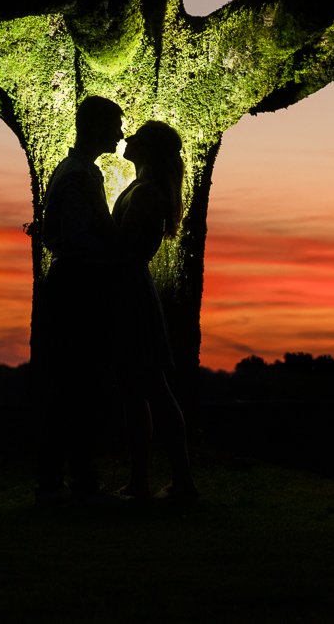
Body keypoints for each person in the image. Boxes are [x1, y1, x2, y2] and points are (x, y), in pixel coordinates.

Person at [32, 95, 124, 503]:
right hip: (77, 285)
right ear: (96, 128)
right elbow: (83, 235)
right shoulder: (82, 175)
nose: (120, 134)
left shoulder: (74, 171)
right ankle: (73, 480)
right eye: (115, 125)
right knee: (79, 382)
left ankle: (61, 478)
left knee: (69, 383)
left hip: (69, 282)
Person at [111, 119, 198, 502]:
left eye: (138, 137)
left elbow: (125, 246)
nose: (128, 138)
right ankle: (143, 480)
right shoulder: (142, 188)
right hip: (129, 290)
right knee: (136, 389)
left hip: (131, 293)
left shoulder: (147, 194)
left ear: (150, 150)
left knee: (151, 389)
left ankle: (180, 481)